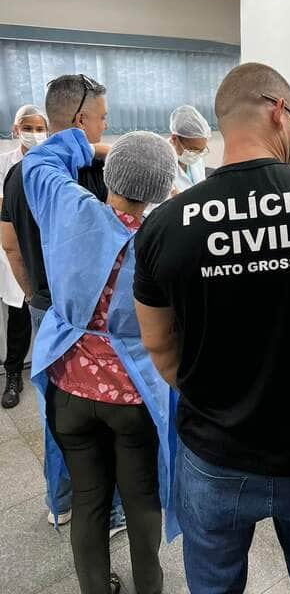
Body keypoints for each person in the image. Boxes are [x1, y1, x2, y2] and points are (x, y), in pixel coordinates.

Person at [134, 62, 290, 593]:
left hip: (215, 451)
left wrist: (213, 398)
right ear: (278, 112)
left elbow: (156, 343)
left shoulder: (162, 226)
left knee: (215, 584)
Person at [24, 128, 180, 594]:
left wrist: (93, 147)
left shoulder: (69, 209)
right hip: (135, 396)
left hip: (69, 388)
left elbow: (37, 162)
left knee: (89, 498)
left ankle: (94, 587)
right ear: (162, 189)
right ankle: (149, 586)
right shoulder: (165, 239)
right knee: (141, 500)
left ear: (108, 174)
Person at [1, 75, 125, 531]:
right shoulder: (98, 174)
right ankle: (110, 511)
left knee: (57, 411)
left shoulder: (20, 174)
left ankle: (62, 500)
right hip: (90, 320)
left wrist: (35, 294)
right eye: (102, 117)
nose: (105, 125)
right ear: (79, 119)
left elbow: (10, 245)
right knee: (101, 416)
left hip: (44, 307)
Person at [0, 105, 48, 408]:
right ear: (16, 129)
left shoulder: (51, 161)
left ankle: (52, 374)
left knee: (47, 314)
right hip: (15, 247)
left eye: (39, 127)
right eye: (28, 128)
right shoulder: (5, 163)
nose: (34, 133)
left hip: (45, 249)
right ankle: (13, 376)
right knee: (19, 316)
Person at [169, 105, 211, 192]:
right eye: (192, 149)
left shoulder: (197, 157)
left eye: (201, 150)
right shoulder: (160, 164)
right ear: (174, 139)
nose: (197, 154)